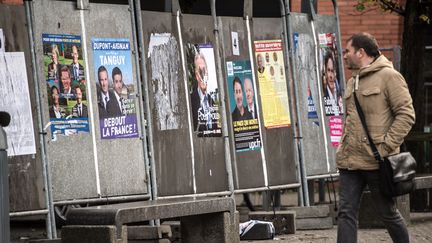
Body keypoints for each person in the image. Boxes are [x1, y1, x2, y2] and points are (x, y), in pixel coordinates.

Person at [336, 32, 415, 243]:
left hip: (377, 162)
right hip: (350, 161)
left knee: (387, 214)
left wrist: (385, 147)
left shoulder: (390, 77)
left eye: (348, 51)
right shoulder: (354, 81)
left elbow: (406, 115)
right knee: (345, 213)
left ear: (360, 52)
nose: (344, 56)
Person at [190, 52, 215, 132]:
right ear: (196, 76)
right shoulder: (190, 102)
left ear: (207, 74)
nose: (202, 75)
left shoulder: (213, 102)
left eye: (204, 71)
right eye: (199, 72)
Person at [323, 51, 342, 115]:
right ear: (325, 72)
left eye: (333, 71)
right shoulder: (322, 95)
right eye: (328, 70)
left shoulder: (341, 92)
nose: (331, 76)